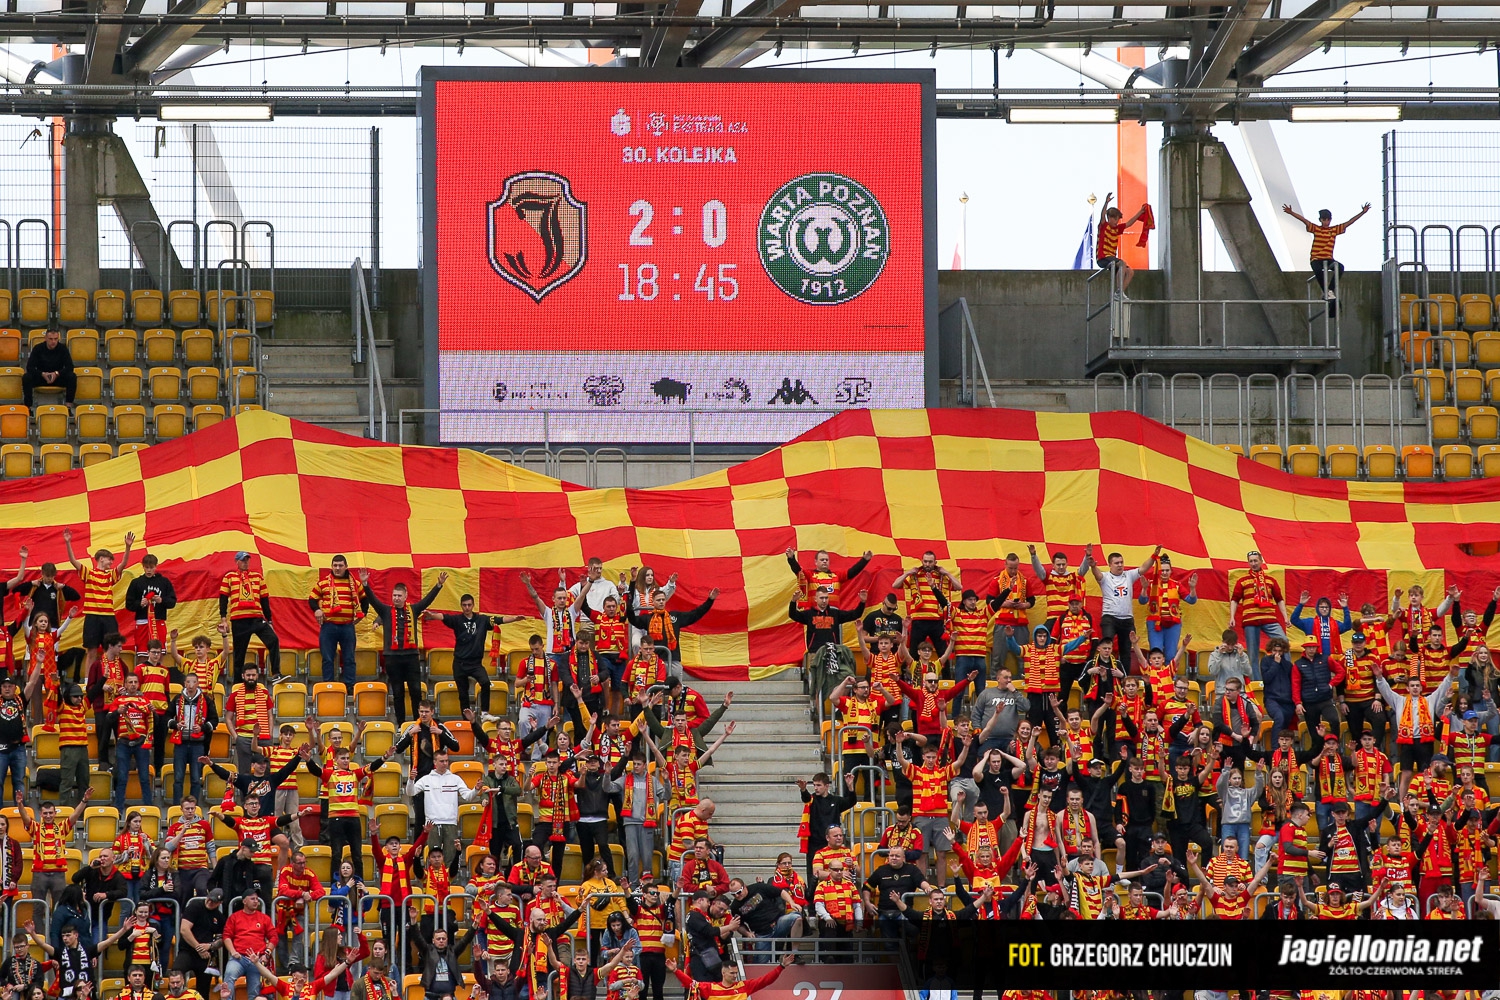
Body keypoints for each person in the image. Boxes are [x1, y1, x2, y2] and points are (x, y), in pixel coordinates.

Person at [360, 570, 448, 725]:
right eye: (394, 595)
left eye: (399, 595)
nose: (396, 598)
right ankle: (401, 724)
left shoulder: (413, 609)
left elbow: (427, 600)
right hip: (392, 657)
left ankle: (417, 722)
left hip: (411, 656)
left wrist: (439, 585)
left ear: (405, 596)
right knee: (398, 692)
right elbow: (373, 600)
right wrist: (365, 584)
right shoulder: (385, 611)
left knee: (415, 691)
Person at [426, 595, 523, 717]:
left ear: (473, 605)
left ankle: (484, 713)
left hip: (475, 664)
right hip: (460, 663)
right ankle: (467, 719)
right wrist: (432, 615)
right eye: (464, 605)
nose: (467, 607)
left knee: (485, 683)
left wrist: (515, 618)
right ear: (461, 606)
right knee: (463, 694)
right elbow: (443, 616)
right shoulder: (457, 620)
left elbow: (499, 619)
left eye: (469, 605)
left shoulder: (482, 620)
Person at [1282, 202, 1370, 314]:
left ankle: (1330, 291)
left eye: (1328, 220)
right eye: (1324, 220)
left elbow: (1349, 222)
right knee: (1318, 271)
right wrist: (1291, 213)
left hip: (1328, 258)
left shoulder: (1334, 230)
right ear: (1321, 220)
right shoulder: (1316, 229)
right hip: (1316, 258)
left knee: (1340, 267)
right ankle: (1327, 292)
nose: (1326, 222)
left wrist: (1362, 212)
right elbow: (1304, 220)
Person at [407, 748, 481, 868]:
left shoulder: (455, 779)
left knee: (450, 858)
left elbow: (467, 796)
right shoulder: (426, 779)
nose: (445, 763)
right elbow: (411, 792)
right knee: (433, 858)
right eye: (442, 761)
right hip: (432, 824)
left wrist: (476, 789)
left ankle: (449, 880)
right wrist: (411, 780)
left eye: (446, 761)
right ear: (434, 762)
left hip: (450, 823)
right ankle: (432, 880)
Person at [19, 789, 90, 909]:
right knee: (38, 908)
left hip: (58, 873)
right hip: (39, 873)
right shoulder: (36, 828)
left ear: (55, 813)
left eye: (51, 813)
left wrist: (84, 800)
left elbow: (75, 816)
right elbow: (25, 818)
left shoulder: (61, 828)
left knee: (59, 906)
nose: (48, 816)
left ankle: (56, 923)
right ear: (41, 814)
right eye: (45, 813)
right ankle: (39, 923)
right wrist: (20, 804)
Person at [219, 550, 279, 682]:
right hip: (239, 620)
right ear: (237, 562)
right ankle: (237, 684)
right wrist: (223, 619)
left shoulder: (258, 577)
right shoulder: (229, 577)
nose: (245, 562)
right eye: (242, 560)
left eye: (247, 560)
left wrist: (269, 621)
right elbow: (223, 599)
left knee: (273, 640)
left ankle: (276, 673)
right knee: (239, 654)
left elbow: (264, 599)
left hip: (256, 618)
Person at [309, 555, 367, 689]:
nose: (337, 568)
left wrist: (362, 614)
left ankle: (350, 687)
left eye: (340, 565)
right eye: (335, 565)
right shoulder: (323, 583)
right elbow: (312, 599)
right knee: (327, 658)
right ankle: (329, 686)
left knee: (349, 658)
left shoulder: (355, 584)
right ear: (331, 566)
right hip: (328, 626)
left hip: (347, 627)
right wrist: (317, 610)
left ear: (346, 567)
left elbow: (365, 599)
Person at [1228, 550, 1288, 664]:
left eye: (1255, 561)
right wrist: (1232, 617)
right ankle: (1255, 676)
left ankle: (1286, 671)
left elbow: (1279, 599)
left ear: (1261, 561)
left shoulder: (1271, 580)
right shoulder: (1242, 580)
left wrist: (1285, 617)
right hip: (1250, 619)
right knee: (1253, 653)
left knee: (1284, 642)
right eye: (1251, 561)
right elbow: (1234, 600)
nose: (1253, 563)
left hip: (1269, 618)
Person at [166, 670, 217, 803]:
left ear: (198, 684)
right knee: (178, 778)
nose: (191, 685)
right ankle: (177, 806)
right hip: (180, 743)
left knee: (195, 778)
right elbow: (167, 716)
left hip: (198, 744)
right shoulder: (177, 699)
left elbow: (214, 720)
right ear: (184, 683)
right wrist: (175, 724)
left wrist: (202, 728)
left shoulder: (206, 700)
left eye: (194, 682)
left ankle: (194, 807)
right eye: (188, 682)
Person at [222, 891, 277, 999]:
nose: (256, 901)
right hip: (239, 958)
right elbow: (226, 936)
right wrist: (233, 952)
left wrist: (267, 953)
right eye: (252, 899)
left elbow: (274, 937)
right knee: (229, 975)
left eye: (257, 899)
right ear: (244, 901)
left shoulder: (264, 918)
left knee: (254, 991)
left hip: (257, 959)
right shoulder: (234, 917)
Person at [1096, 193, 1150, 294]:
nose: (1116, 222)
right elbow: (1102, 215)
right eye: (1115, 219)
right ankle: (1119, 290)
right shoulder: (1104, 226)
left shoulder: (1117, 229)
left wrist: (1140, 212)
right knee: (1122, 263)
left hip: (1111, 259)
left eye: (1118, 220)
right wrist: (1106, 203)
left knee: (1130, 271)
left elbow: (1129, 223)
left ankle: (1119, 293)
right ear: (1110, 218)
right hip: (1103, 257)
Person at [22, 329, 75, 406]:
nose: (53, 341)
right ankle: (28, 406)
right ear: (46, 338)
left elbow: (70, 367)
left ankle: (68, 406)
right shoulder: (38, 348)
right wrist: (42, 374)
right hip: (42, 377)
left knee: (72, 376)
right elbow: (30, 367)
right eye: (50, 339)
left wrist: (56, 374)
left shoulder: (62, 348)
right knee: (27, 377)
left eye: (56, 339)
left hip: (57, 378)